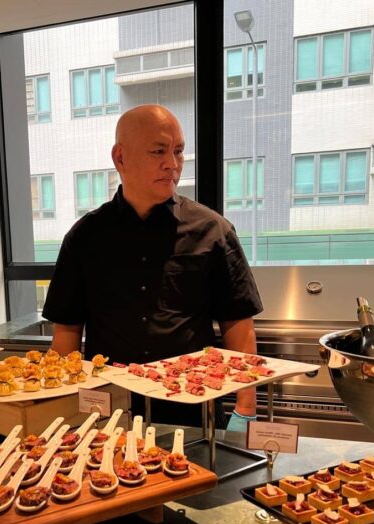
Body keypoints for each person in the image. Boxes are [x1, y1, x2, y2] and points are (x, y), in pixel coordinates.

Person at [42, 104, 263, 431]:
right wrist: (60, 408)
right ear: (120, 158)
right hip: (109, 413)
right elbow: (67, 333)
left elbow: (239, 327)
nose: (172, 165)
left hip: (193, 412)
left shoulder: (213, 231)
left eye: (179, 151)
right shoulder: (85, 237)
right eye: (158, 151)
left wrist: (246, 408)